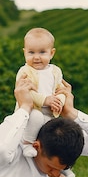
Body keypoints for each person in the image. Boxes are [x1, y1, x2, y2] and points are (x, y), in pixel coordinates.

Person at [15, 28, 67, 159]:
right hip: (31, 111)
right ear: (24, 52)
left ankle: (59, 164)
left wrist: (59, 100)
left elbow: (61, 90)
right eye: (31, 52)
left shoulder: (55, 71)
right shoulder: (25, 71)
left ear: (52, 53)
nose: (36, 57)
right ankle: (27, 143)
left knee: (56, 131)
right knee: (36, 117)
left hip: (49, 112)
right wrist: (45, 100)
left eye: (42, 52)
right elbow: (26, 93)